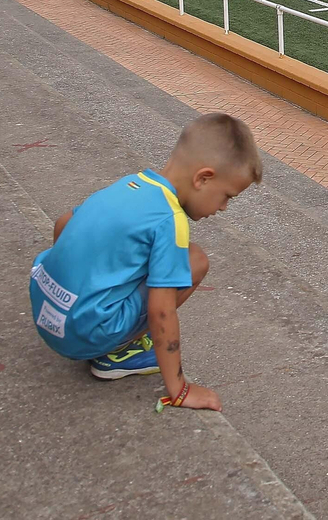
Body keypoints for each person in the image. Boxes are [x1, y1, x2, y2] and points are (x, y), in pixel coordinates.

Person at [30, 112, 263, 412]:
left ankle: (92, 320)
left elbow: (64, 223)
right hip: (83, 337)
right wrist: (179, 390)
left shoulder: (131, 184)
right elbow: (161, 310)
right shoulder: (171, 218)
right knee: (195, 261)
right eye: (226, 196)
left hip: (46, 311)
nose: (223, 208)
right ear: (203, 178)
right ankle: (116, 353)